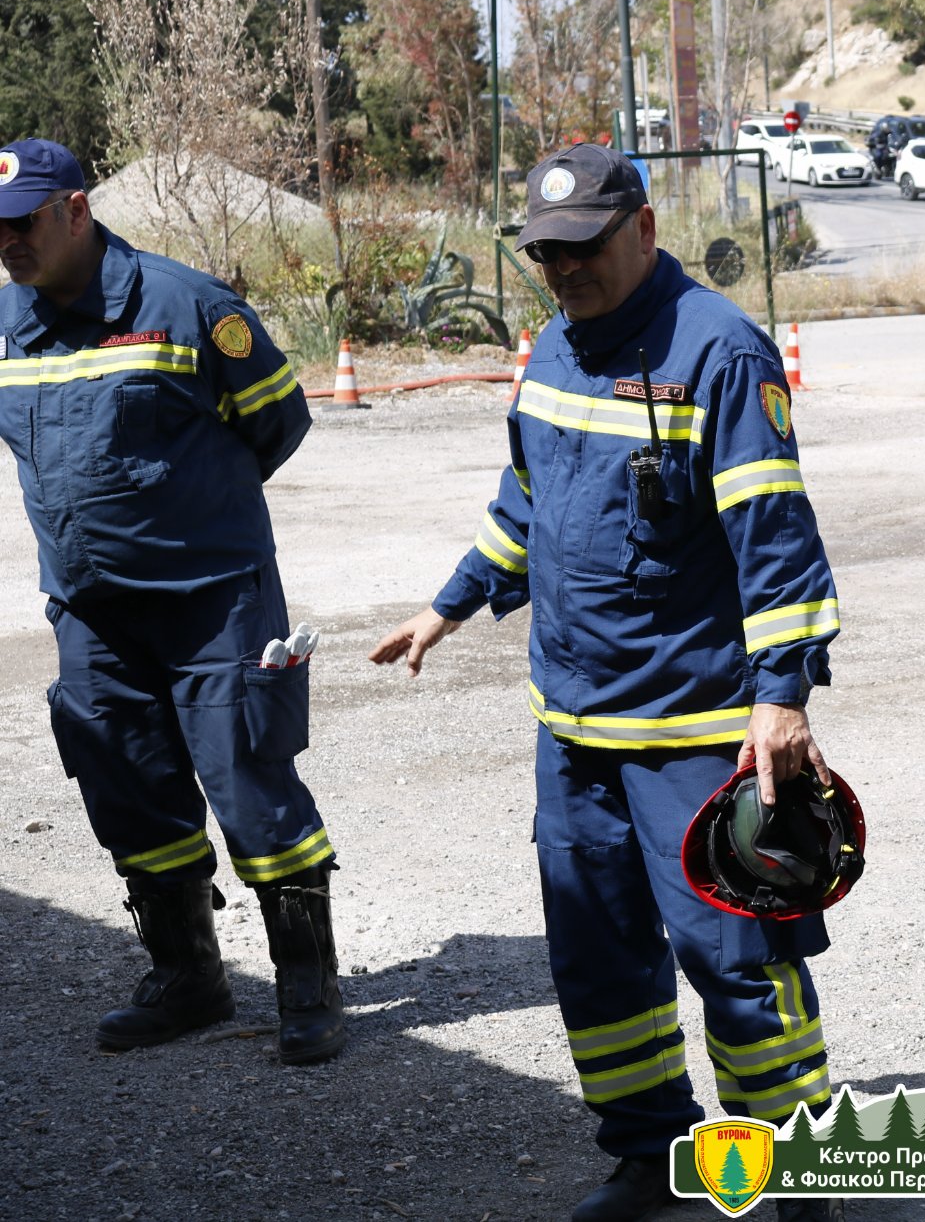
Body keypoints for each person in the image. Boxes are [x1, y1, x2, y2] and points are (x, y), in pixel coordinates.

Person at [371, 143, 844, 1222]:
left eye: (583, 247)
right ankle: (650, 1150)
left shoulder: (719, 352)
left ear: (641, 228)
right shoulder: (550, 349)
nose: (565, 269)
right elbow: (525, 506)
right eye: (546, 252)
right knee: (598, 965)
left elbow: (774, 538)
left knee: (735, 960)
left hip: (697, 729)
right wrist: (447, 605)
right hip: (573, 731)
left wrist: (782, 697)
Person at [0, 138, 343, 1063]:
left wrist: (195, 519)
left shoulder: (189, 306)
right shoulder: (7, 322)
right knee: (130, 791)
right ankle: (188, 976)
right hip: (90, 615)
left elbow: (278, 421)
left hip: (211, 605)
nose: (9, 243)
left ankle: (308, 983)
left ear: (75, 210)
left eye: (23, 221)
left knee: (252, 789)